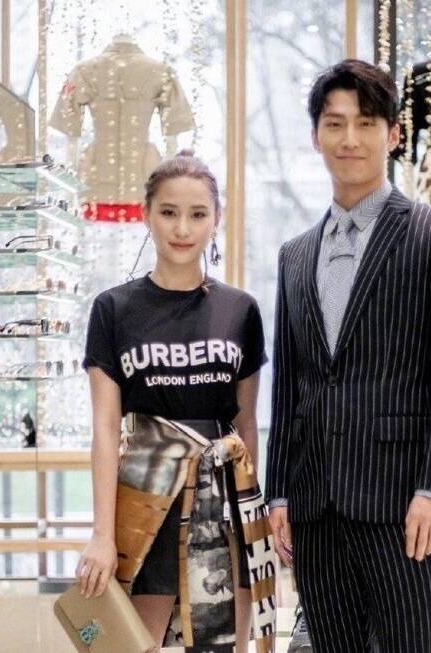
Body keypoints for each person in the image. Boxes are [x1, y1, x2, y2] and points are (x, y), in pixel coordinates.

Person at [266, 59, 431, 653]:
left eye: (366, 123)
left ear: (393, 134)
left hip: (405, 506)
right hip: (315, 510)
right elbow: (290, 387)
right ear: (316, 136)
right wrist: (280, 493)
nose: (350, 139)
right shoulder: (295, 254)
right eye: (334, 123)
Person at [75, 150, 269, 652]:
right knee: (130, 646)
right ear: (146, 214)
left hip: (224, 507)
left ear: (215, 219)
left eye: (197, 214)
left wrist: (252, 522)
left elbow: (247, 425)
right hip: (145, 504)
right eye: (168, 212)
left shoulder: (241, 310)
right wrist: (101, 534)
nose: (182, 228)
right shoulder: (113, 309)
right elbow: (104, 429)